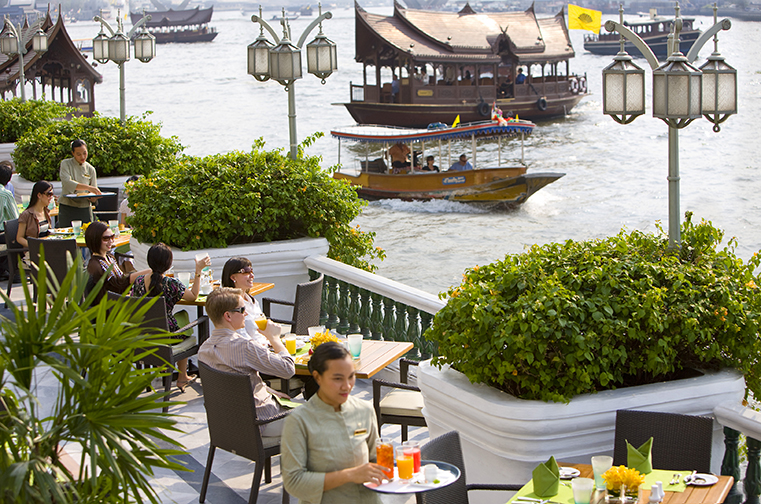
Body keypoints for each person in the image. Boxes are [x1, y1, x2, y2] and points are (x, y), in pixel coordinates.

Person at [281, 342, 386, 504]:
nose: (347, 386)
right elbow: (294, 482)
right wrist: (349, 475)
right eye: (337, 379)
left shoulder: (364, 410)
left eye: (351, 376)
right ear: (317, 377)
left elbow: (375, 458)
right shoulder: (299, 421)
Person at [198, 287, 295, 436]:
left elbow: (234, 380)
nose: (246, 313)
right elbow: (288, 369)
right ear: (228, 316)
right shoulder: (245, 347)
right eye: (242, 309)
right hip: (262, 422)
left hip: (229, 423)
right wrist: (274, 338)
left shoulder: (204, 350)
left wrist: (268, 390)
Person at [130, 243, 211, 392]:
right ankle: (182, 376)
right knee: (183, 321)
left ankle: (161, 367)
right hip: (168, 337)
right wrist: (198, 271)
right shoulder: (171, 284)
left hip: (145, 335)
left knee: (180, 317)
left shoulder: (139, 281)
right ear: (169, 263)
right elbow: (193, 296)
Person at [85, 221, 149, 304]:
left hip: (119, 300)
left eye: (112, 237)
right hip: (109, 308)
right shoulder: (95, 266)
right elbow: (116, 286)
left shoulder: (110, 257)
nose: (111, 241)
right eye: (106, 238)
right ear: (95, 239)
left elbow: (120, 279)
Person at [221, 256, 269, 344]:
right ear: (233, 277)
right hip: (251, 351)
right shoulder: (232, 305)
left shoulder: (251, 300)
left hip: (265, 344)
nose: (252, 275)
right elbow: (242, 338)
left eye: (252, 271)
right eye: (246, 271)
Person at [58, 139, 101, 227]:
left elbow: (93, 191)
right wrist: (88, 188)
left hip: (84, 207)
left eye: (85, 153)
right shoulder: (66, 164)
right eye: (78, 154)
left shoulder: (91, 169)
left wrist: (94, 197)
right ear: (73, 153)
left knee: (87, 234)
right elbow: (67, 183)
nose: (82, 156)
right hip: (67, 207)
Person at [16, 180, 54, 248]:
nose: (51, 197)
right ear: (39, 195)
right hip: (33, 251)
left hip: (47, 248)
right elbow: (19, 238)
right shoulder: (26, 214)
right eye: (49, 194)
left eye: (52, 194)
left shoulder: (46, 211)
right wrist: (34, 246)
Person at [0, 162, 18, 280]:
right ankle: (14, 271)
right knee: (19, 236)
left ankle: (2, 270)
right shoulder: (5, 194)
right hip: (0, 233)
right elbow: (15, 217)